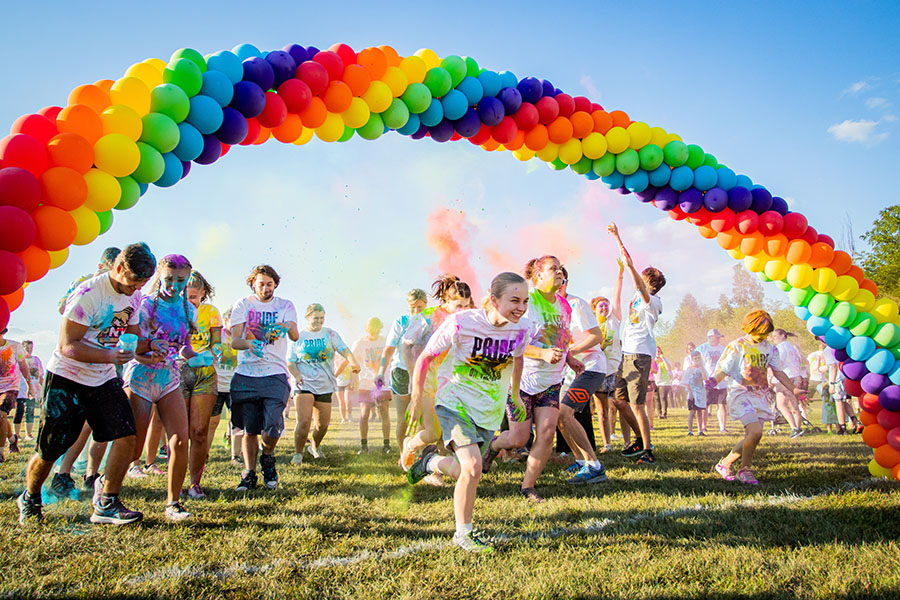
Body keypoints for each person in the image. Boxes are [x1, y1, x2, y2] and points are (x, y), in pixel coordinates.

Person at [17, 242, 155, 525]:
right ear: (118, 268)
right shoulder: (88, 294)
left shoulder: (135, 295)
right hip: (67, 378)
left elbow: (131, 334)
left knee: (126, 436)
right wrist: (109, 354)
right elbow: (68, 346)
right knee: (50, 448)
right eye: (132, 281)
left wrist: (151, 346)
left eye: (142, 283)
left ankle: (107, 502)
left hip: (102, 377)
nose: (136, 288)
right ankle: (30, 497)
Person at [406, 272, 532, 552]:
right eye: (514, 300)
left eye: (524, 301)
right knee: (474, 467)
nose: (521, 308)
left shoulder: (522, 328)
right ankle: (463, 534)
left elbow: (518, 357)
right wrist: (416, 395)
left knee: (465, 469)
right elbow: (426, 355)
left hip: (487, 410)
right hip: (454, 402)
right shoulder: (462, 322)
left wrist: (514, 393)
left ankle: (429, 463)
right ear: (493, 298)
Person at [481, 256, 587, 502]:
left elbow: (560, 338)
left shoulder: (565, 306)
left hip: (551, 381)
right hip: (521, 382)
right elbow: (510, 341)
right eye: (553, 268)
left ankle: (528, 486)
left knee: (547, 434)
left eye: (561, 268)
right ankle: (494, 446)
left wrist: (569, 358)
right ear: (538, 275)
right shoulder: (527, 302)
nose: (560, 272)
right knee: (519, 438)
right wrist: (542, 353)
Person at [123, 254, 204, 521]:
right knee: (133, 446)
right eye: (169, 279)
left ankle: (173, 503)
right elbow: (134, 349)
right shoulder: (145, 305)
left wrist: (197, 356)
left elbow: (183, 347)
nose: (174, 285)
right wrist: (149, 352)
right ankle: (107, 488)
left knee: (180, 440)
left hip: (169, 377)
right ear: (160, 275)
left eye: (180, 280)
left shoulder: (189, 309)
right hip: (141, 377)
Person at [230, 265, 300, 491]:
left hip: (275, 373)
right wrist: (250, 343)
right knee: (249, 429)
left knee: (272, 426)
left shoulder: (285, 306)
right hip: (247, 373)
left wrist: (285, 325)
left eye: (269, 284)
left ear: (275, 285)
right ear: (253, 284)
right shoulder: (243, 305)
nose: (265, 288)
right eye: (261, 283)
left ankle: (267, 457)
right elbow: (235, 342)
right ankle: (249, 473)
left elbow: (295, 335)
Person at [713, 310, 803, 484]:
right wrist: (711, 382)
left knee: (753, 436)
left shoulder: (770, 348)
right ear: (749, 328)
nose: (762, 337)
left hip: (759, 396)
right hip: (740, 393)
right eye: (759, 334)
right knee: (755, 431)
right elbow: (723, 369)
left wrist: (794, 389)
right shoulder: (737, 345)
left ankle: (725, 463)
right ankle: (745, 470)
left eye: (765, 334)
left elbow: (778, 371)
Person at [399, 275, 473, 485]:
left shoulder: (466, 319)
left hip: (451, 382)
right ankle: (410, 445)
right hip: (427, 381)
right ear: (446, 301)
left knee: (447, 432)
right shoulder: (427, 317)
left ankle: (434, 472)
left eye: (466, 306)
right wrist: (414, 373)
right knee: (432, 432)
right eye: (458, 305)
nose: (462, 310)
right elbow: (406, 345)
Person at [609, 222, 666, 464]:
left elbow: (633, 271)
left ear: (648, 283)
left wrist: (618, 235)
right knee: (619, 401)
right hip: (627, 353)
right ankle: (641, 441)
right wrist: (621, 260)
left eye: (642, 279)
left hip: (639, 356)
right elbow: (628, 266)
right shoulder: (639, 297)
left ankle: (648, 451)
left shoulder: (650, 301)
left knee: (637, 404)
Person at [288, 303, 359, 464]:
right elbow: (290, 362)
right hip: (303, 384)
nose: (319, 321)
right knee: (304, 421)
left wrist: (353, 362)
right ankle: (298, 453)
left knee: (322, 425)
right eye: (315, 318)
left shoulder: (330, 334)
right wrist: (297, 376)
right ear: (307, 317)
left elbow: (345, 350)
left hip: (325, 384)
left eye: (321, 318)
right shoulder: (299, 336)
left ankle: (314, 446)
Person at [554, 271, 607, 485]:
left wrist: (571, 352)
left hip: (591, 367)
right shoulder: (550, 309)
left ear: (567, 282)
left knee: (566, 413)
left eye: (562, 281)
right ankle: (579, 460)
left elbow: (597, 336)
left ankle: (594, 465)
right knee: (558, 414)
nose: (558, 285)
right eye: (554, 281)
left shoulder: (577, 305)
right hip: (570, 370)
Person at [181, 270, 222, 499]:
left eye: (195, 297)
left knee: (199, 431)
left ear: (204, 294)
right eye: (187, 296)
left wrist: (216, 350)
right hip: (179, 372)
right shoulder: (176, 312)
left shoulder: (211, 313)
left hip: (205, 373)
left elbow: (216, 340)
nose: (191, 301)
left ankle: (195, 484)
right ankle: (176, 482)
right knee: (180, 433)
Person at [376, 289, 428, 455]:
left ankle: (421, 455)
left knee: (423, 418)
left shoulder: (431, 320)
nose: (416, 311)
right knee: (403, 419)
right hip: (402, 372)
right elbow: (389, 349)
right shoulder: (402, 321)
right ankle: (402, 454)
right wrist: (381, 370)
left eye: (420, 307)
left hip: (424, 373)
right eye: (413, 307)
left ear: (426, 305)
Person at [592, 259, 626, 452]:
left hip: (616, 368)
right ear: (594, 310)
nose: (605, 308)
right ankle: (607, 444)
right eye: (600, 306)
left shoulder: (615, 319)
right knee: (602, 410)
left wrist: (620, 274)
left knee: (622, 405)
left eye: (606, 305)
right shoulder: (592, 326)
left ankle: (629, 441)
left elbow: (617, 295)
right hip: (600, 371)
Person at [353, 318, 392, 454]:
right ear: (367, 329)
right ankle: (364, 446)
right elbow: (353, 360)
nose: (374, 331)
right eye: (371, 329)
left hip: (382, 382)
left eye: (377, 328)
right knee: (364, 415)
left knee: (384, 411)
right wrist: (353, 375)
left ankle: (386, 445)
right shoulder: (360, 343)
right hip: (366, 381)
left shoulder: (385, 341)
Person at [1, 330, 36, 460]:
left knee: (2, 414)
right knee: (2, 418)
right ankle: (12, 439)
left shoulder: (15, 347)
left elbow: (23, 367)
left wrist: (30, 386)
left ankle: (0, 454)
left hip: (10, 387)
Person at [57, 247, 121, 315]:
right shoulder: (84, 281)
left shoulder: (126, 287)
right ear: (100, 267)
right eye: (107, 273)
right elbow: (62, 308)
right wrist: (91, 284)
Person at [216, 308, 242, 465]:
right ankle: (203, 454)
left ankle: (235, 456)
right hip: (217, 384)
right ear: (225, 321)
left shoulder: (243, 337)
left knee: (237, 420)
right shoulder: (218, 336)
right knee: (212, 421)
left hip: (235, 384)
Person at [770, 329, 805, 438]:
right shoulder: (792, 347)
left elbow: (778, 364)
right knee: (794, 405)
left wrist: (771, 377)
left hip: (786, 377)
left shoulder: (781, 347)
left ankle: (794, 428)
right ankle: (798, 428)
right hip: (796, 376)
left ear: (783, 335)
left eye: (775, 335)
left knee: (781, 405)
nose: (773, 338)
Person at [696, 330, 728, 434]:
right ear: (710, 337)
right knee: (705, 405)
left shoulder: (723, 349)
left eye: (719, 337)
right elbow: (694, 360)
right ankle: (704, 427)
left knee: (722, 404)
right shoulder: (702, 348)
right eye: (717, 337)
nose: (719, 339)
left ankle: (722, 428)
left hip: (720, 381)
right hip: (707, 381)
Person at [13, 340, 43, 443]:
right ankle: (16, 434)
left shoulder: (36, 360)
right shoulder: (19, 361)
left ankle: (28, 434)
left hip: (33, 390)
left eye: (31, 348)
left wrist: (43, 389)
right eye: (27, 348)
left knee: (30, 412)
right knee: (19, 411)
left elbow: (40, 376)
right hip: (21, 389)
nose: (29, 351)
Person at [683, 351, 708, 435]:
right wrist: (690, 392)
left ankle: (700, 430)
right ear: (692, 359)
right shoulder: (689, 369)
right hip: (692, 393)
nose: (697, 360)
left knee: (700, 412)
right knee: (692, 412)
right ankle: (690, 430)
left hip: (700, 393)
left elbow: (705, 378)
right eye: (695, 358)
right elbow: (686, 381)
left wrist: (701, 367)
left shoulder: (702, 368)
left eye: (698, 358)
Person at [653, 347, 673, 419]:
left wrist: (663, 359)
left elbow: (669, 368)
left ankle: (664, 413)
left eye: (659, 351)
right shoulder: (653, 360)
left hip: (664, 382)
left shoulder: (665, 359)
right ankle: (659, 413)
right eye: (656, 351)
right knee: (657, 398)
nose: (658, 353)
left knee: (663, 397)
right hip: (655, 381)